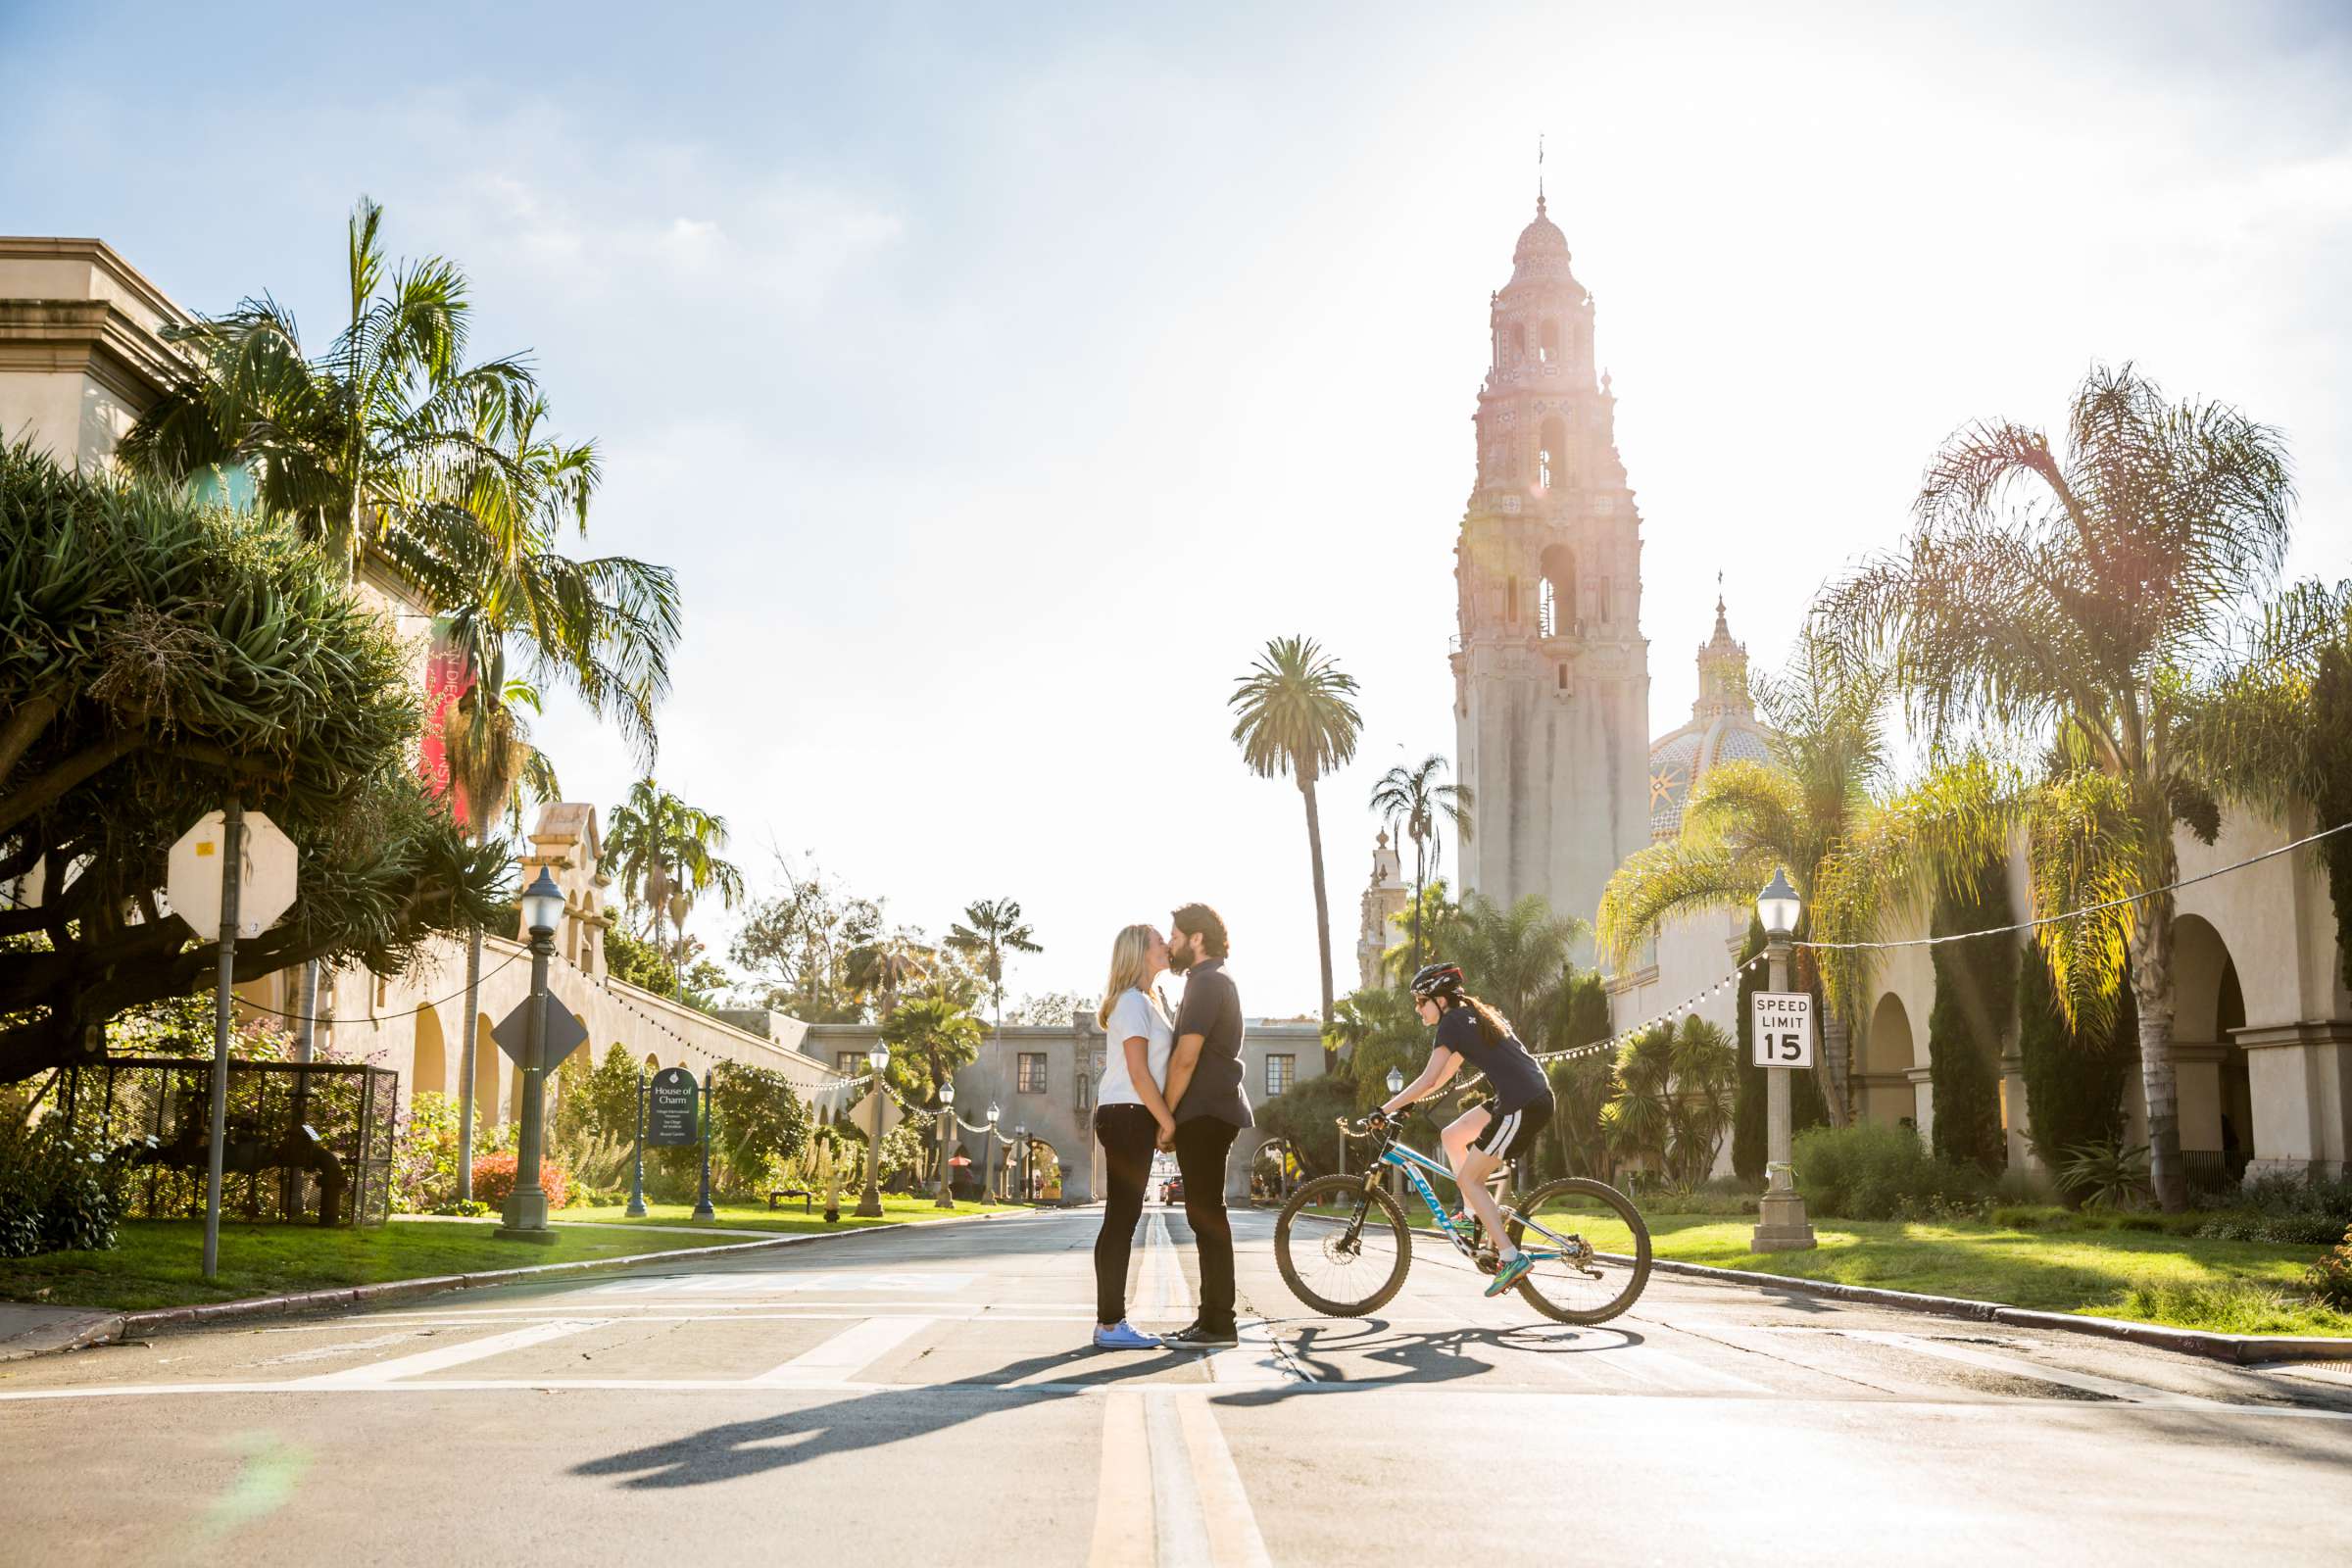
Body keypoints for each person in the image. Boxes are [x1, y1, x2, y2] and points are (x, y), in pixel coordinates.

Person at [1373, 962, 1557, 1298]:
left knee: (1469, 1179)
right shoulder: (1468, 1016)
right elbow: (1441, 1076)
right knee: (1452, 1135)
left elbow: (1430, 1078)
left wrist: (1385, 1109)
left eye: (1420, 1001)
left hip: (1521, 1103)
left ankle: (1510, 1256)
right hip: (1524, 1096)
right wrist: (1409, 1100)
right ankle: (1470, 1215)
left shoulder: (1453, 1022)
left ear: (1440, 1000)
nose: (1418, 1009)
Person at [1158, 902, 1249, 1348]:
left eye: (1174, 937)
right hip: (1212, 1111)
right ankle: (1212, 1319)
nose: (1170, 944)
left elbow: (1186, 1056)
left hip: (1206, 1113)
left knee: (1207, 1216)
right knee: (1205, 1216)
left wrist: (1166, 1118)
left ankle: (1218, 1323)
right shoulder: (1209, 980)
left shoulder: (1207, 981)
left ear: (1196, 939)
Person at [1091, 923, 1178, 1349]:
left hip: (1132, 1114)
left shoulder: (1151, 1000)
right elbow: (1140, 1073)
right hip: (1127, 1114)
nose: (1168, 945)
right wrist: (1168, 1121)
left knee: (1121, 1219)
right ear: (1142, 952)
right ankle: (1110, 1324)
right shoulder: (1130, 1003)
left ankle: (1109, 1322)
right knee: (1121, 1220)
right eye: (1160, 941)